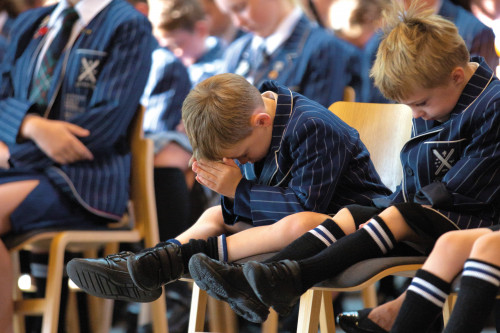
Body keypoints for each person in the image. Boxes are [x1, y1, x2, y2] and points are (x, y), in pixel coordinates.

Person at [186, 1, 500, 324]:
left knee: (394, 214)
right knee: (353, 215)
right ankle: (273, 277)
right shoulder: (438, 96)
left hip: (474, 216)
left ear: (457, 76)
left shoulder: (491, 105)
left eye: (419, 104)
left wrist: (396, 212)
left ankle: (290, 278)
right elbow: (416, 172)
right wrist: (390, 211)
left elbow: (464, 187)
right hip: (428, 211)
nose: (416, 114)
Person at [67, 72, 391, 321]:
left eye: (243, 156)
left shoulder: (314, 128)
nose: (242, 162)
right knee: (214, 216)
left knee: (297, 223)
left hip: (352, 225)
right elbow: (249, 207)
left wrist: (237, 189)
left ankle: (162, 264)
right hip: (282, 225)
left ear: (261, 121)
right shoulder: (252, 129)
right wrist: (232, 193)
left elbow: (303, 207)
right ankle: (151, 262)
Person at [0, 0, 154, 331]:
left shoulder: (127, 24)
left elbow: (103, 126)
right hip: (20, 169)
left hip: (82, 181)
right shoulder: (30, 22)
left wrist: (14, 155)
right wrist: (30, 125)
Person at [216, 0, 362, 107]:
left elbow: (317, 134)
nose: (237, 23)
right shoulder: (235, 52)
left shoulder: (324, 49)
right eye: (229, 13)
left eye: (241, 8)